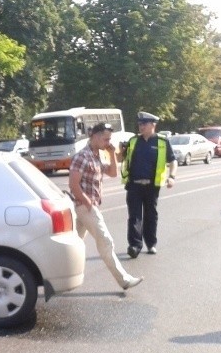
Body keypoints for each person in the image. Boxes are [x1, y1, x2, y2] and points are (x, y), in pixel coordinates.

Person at [69, 123, 143, 290]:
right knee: (106, 241)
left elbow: (112, 173)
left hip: (87, 206)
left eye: (109, 139)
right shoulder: (82, 156)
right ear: (95, 136)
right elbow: (73, 184)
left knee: (74, 244)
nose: (108, 142)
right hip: (85, 206)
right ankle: (124, 280)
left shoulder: (96, 155)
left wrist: (111, 153)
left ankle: (57, 278)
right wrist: (87, 203)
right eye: (106, 139)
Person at [119, 111, 177, 258]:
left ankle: (151, 244)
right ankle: (134, 245)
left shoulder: (162, 142)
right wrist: (120, 151)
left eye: (144, 124)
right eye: (139, 124)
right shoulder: (133, 141)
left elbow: (173, 160)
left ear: (153, 125)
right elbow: (121, 159)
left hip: (152, 186)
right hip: (134, 185)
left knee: (151, 215)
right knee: (134, 216)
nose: (141, 126)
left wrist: (172, 177)